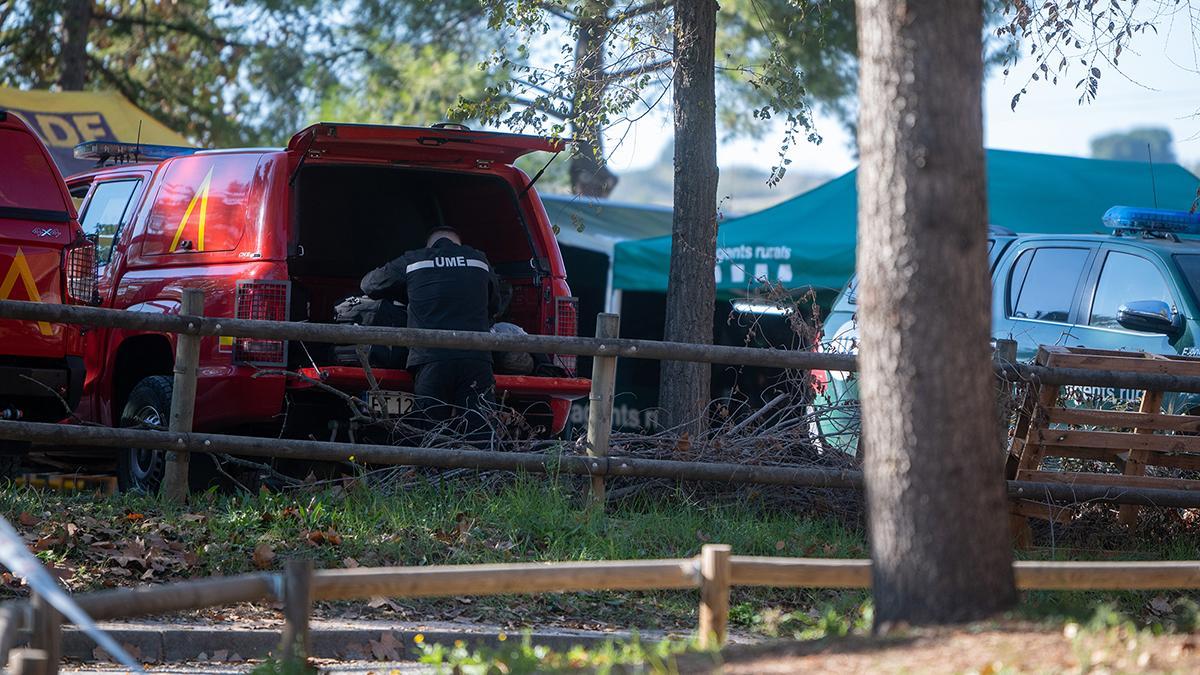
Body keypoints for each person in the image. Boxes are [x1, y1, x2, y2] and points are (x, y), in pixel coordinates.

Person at [360, 227, 501, 433]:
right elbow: (496, 304)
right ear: (458, 244)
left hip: (431, 359)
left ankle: (430, 466)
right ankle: (476, 466)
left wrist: (407, 292)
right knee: (479, 433)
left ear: (429, 245)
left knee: (428, 434)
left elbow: (369, 284)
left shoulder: (414, 260)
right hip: (476, 358)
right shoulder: (478, 260)